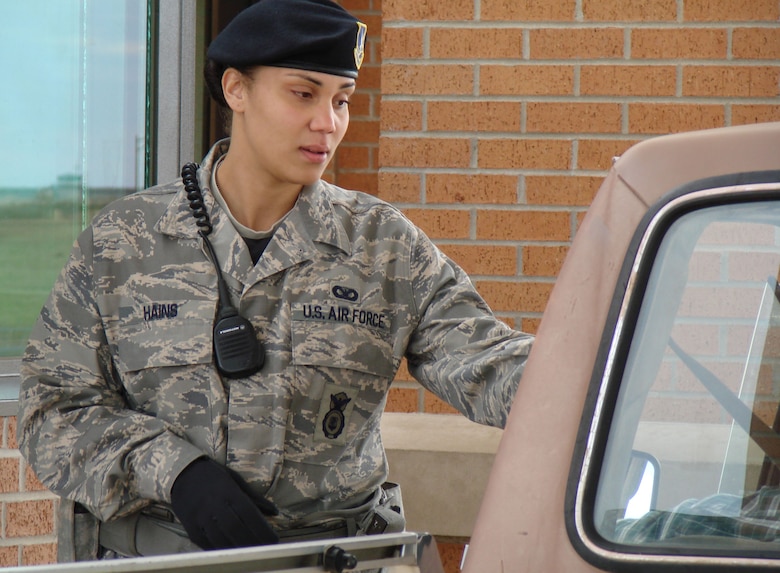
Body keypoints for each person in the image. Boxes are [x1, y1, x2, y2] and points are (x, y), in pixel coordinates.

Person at [17, 0, 533, 561]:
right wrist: (173, 471)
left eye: (342, 100)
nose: (328, 123)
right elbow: (53, 412)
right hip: (165, 556)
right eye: (302, 93)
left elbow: (491, 364)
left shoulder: (384, 247)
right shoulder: (123, 243)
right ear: (236, 89)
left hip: (333, 555)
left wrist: (612, 386)